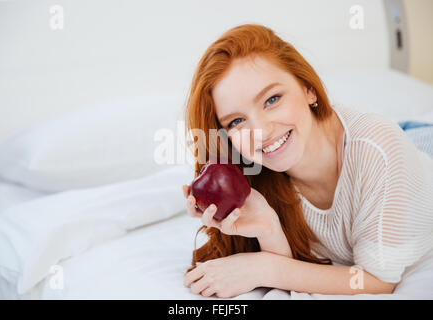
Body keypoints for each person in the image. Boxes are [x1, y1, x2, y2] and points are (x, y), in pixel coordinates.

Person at [181, 24, 433, 298]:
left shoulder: (379, 150)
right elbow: (293, 267)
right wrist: (267, 227)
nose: (262, 132)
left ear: (308, 89)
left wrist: (264, 269)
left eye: (272, 99)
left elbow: (377, 281)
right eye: (237, 121)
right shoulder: (257, 173)